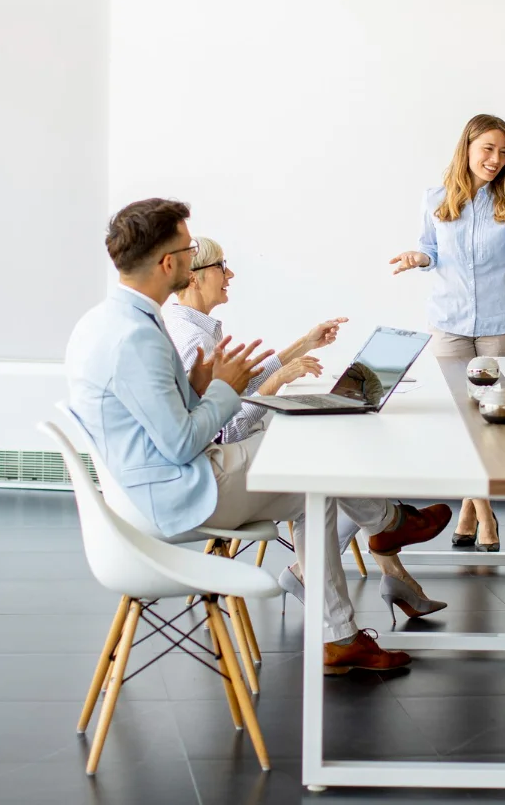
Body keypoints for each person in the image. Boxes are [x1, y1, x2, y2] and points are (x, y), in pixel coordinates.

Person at [66, 198, 451, 675]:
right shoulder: (139, 336)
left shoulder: (107, 320)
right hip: (177, 493)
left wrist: (197, 387)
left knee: (314, 487)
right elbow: (182, 443)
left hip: (146, 487)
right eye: (189, 250)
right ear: (169, 263)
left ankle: (343, 631)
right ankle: (386, 528)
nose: (195, 258)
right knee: (314, 458)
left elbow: (156, 419)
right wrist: (223, 390)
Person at [162, 236, 446, 620]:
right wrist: (276, 383)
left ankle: (383, 547)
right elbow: (225, 431)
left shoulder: (190, 325)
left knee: (333, 456)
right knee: (331, 461)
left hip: (212, 467)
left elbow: (236, 387)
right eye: (221, 267)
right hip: (211, 475)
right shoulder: (192, 338)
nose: (230, 274)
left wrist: (303, 345)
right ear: (195, 277)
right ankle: (388, 527)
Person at [389, 113, 505, 552]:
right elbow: (430, 250)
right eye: (488, 149)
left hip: (498, 327)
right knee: (460, 423)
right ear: (468, 148)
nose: (496, 159)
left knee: (491, 424)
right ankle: (484, 513)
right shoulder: (435, 198)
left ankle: (470, 511)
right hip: (448, 324)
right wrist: (418, 259)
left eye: (503, 152)